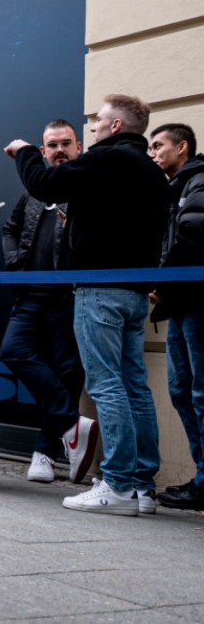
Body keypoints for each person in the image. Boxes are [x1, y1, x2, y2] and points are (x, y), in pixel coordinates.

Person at [6, 94, 169, 515]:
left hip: (99, 289)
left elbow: (43, 185)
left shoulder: (107, 157)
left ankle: (116, 484)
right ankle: (142, 488)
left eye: (98, 120)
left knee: (107, 385)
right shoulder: (151, 170)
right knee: (134, 387)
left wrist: (24, 151)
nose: (92, 127)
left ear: (115, 126)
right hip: (135, 292)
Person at [0, 120, 90, 484]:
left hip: (69, 298)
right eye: (52, 145)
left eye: (66, 143)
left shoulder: (85, 186)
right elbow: (10, 228)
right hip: (28, 297)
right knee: (12, 351)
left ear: (78, 147)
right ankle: (72, 423)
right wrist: (14, 262)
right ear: (42, 151)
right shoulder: (33, 192)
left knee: (69, 373)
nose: (59, 150)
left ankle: (45, 453)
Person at [147, 123, 204, 510]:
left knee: (199, 392)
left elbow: (192, 233)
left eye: (158, 146)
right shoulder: (174, 188)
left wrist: (162, 282)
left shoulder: (198, 180)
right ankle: (201, 477)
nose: (152, 153)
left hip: (197, 302)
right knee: (182, 389)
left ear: (182, 147)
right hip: (181, 303)